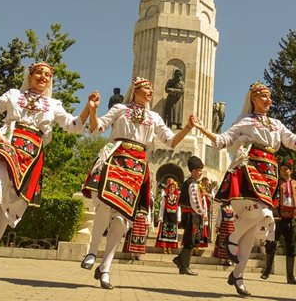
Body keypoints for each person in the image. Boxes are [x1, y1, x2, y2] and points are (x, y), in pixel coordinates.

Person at [190, 81, 296, 296]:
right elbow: (223, 140)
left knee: (252, 232)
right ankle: (232, 239)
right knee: (264, 213)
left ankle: (238, 275)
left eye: (269, 97)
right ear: (253, 98)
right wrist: (201, 129)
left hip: (270, 172)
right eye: (263, 96)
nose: (268, 100)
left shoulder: (276, 124)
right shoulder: (245, 120)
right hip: (251, 168)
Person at [0, 61, 94, 285]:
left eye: (47, 75)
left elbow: (73, 125)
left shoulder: (53, 104)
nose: (43, 77)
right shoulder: (14, 94)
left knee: (6, 210)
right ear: (30, 75)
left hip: (31, 155)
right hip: (5, 142)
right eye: (39, 73)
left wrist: (88, 107)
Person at [79, 77, 193, 289]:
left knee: (123, 220)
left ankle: (105, 267)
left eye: (151, 88)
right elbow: (98, 127)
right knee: (105, 204)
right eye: (146, 88)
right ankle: (92, 251)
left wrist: (186, 128)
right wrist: (92, 110)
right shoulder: (121, 109)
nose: (150, 91)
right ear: (136, 90)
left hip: (138, 166)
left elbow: (171, 140)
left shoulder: (154, 117)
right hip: (117, 158)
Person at [260, 158, 296, 285]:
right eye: (281, 169)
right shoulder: (276, 183)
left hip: (291, 218)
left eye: (285, 169)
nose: (282, 171)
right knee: (271, 243)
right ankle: (267, 269)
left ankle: (290, 276)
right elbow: (269, 198)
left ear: (290, 171)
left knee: (291, 247)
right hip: (278, 218)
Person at [173, 156, 206, 275]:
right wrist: (201, 212)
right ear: (192, 171)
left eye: (201, 170)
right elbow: (195, 200)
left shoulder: (189, 183)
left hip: (189, 214)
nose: (200, 173)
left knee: (190, 239)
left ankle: (181, 263)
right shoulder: (192, 184)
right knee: (190, 240)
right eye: (199, 170)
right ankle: (185, 265)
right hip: (192, 214)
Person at [155, 178, 181, 254]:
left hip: (174, 216)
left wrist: (179, 217)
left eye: (173, 187)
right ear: (168, 188)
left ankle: (170, 247)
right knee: (165, 231)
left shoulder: (177, 197)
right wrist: (160, 217)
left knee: (172, 231)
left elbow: (178, 207)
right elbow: (162, 207)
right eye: (170, 187)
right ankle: (164, 247)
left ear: (175, 189)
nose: (172, 189)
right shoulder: (165, 197)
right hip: (166, 215)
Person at [213, 202, 235, 266]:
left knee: (230, 242)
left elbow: (236, 217)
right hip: (224, 226)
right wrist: (218, 226)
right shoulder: (222, 207)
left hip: (231, 226)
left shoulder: (234, 207)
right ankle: (222, 258)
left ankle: (229, 259)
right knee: (223, 241)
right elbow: (219, 217)